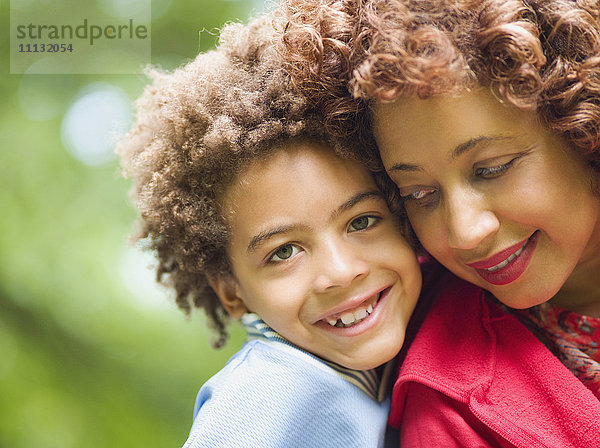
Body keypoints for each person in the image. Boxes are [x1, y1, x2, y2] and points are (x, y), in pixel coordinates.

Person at [282, 0, 600, 446]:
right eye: (419, 195)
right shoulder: (450, 414)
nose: (466, 232)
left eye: (492, 168)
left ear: (581, 126)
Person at [117, 15, 422, 447]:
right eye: (284, 252)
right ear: (231, 291)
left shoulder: (370, 374)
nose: (340, 271)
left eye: (361, 222)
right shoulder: (267, 395)